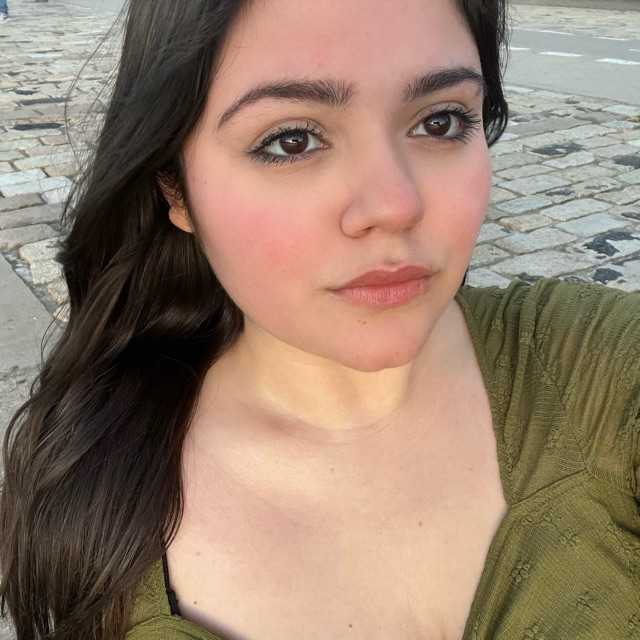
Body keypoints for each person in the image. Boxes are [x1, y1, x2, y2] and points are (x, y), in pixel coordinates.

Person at [0, 0, 638, 638]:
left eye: (440, 121)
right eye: (292, 140)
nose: (394, 206)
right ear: (176, 189)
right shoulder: (85, 493)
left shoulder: (603, 370)